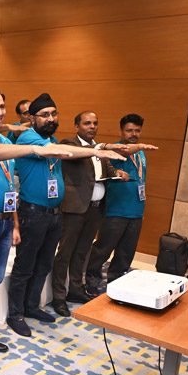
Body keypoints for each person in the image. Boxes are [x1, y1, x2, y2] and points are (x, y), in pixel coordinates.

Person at [0, 89, 72, 369]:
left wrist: (15, 222)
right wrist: (35, 148)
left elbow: (10, 187)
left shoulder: (6, 140)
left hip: (5, 221)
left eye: (2, 106)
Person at [6, 93, 124, 338]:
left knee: (44, 264)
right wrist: (99, 150)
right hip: (33, 212)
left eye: (54, 113)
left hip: (54, 214)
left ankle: (31, 306)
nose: (51, 118)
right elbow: (58, 152)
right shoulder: (28, 138)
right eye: (44, 115)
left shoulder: (51, 138)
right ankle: (15, 314)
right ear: (32, 119)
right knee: (25, 266)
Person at [50, 111, 129, 316]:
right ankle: (58, 296)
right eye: (87, 123)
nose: (92, 126)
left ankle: (75, 290)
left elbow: (108, 169)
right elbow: (76, 154)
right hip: (74, 209)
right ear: (77, 127)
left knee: (82, 252)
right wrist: (98, 149)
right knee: (65, 253)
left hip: (95, 209)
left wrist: (118, 173)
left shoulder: (99, 149)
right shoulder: (70, 145)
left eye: (95, 123)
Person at [85, 114, 157, 294]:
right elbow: (124, 152)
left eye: (137, 131)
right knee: (103, 249)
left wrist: (141, 210)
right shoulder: (115, 151)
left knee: (126, 252)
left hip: (136, 211)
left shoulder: (140, 154)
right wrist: (137, 147)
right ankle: (91, 280)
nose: (134, 134)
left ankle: (116, 283)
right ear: (121, 132)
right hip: (115, 211)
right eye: (129, 130)